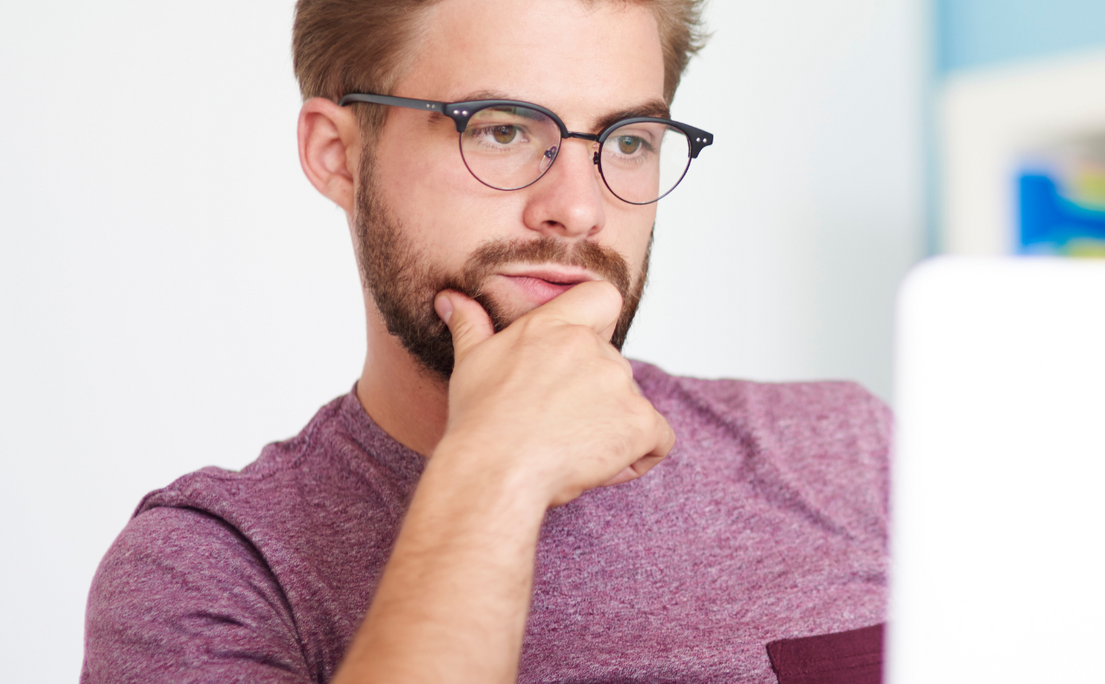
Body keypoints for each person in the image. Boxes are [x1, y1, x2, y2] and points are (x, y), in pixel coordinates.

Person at [80, 0, 890, 681]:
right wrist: (494, 468)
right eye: (501, 130)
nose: (577, 208)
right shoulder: (211, 569)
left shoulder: (851, 452)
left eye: (629, 140)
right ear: (338, 156)